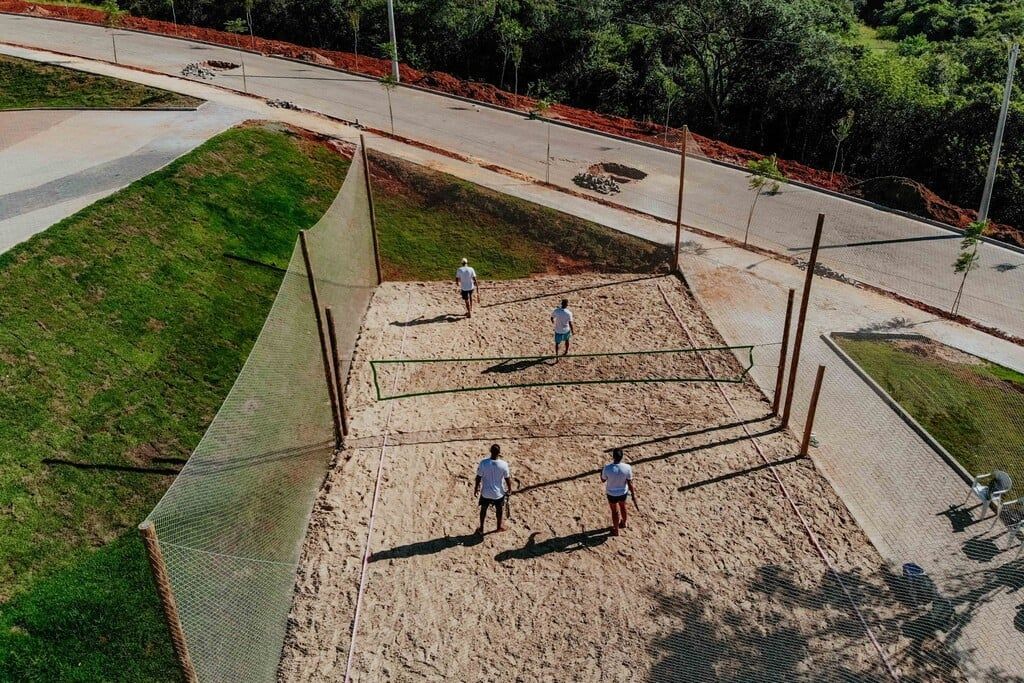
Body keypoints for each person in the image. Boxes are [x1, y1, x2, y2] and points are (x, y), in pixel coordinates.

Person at [474, 444, 511, 535]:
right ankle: (498, 527)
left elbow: (478, 477)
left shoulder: (483, 463)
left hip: (485, 492)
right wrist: (510, 489)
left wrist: (476, 488)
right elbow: (507, 478)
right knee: (499, 510)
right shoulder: (504, 464)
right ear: (499, 452)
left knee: (483, 509)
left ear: (490, 451)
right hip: (498, 493)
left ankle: (481, 528)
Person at [601, 448, 636, 536]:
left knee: (614, 511)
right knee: (623, 507)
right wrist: (633, 494)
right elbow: (630, 482)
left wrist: (602, 472)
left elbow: (603, 480)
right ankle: (624, 523)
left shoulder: (607, 468)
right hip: (623, 492)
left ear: (613, 457)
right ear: (622, 457)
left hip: (611, 493)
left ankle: (616, 530)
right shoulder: (627, 467)